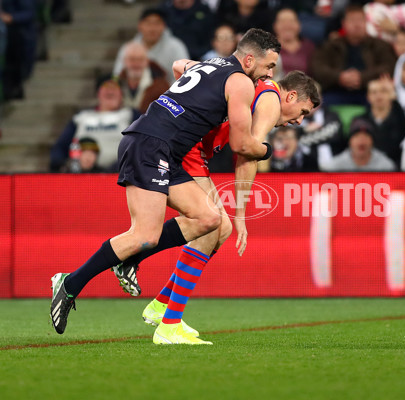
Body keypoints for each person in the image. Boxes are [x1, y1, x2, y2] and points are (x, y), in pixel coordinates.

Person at [50, 29, 281, 342]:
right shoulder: (240, 81)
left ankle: (132, 260)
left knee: (209, 219)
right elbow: (241, 145)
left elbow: (177, 65)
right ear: (250, 59)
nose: (270, 74)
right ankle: (70, 283)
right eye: (269, 67)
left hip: (162, 149)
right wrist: (269, 149)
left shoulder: (209, 64)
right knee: (144, 235)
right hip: (150, 145)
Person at [114, 71, 320, 344]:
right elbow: (248, 154)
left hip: (188, 147)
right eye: (302, 111)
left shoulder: (257, 88)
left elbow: (181, 66)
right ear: (291, 96)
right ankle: (168, 323)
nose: (299, 120)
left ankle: (161, 304)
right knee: (212, 226)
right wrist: (242, 216)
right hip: (188, 150)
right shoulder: (271, 101)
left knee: (219, 229)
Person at [49, 77, 141, 173]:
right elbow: (60, 147)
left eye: (114, 88)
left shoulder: (130, 115)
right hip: (83, 174)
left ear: (121, 95)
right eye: (106, 87)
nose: (110, 90)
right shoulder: (81, 117)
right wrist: (59, 165)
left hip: (119, 175)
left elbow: (142, 145)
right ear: (98, 93)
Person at [311, 4, 396, 105]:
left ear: (366, 23)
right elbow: (317, 67)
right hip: (335, 92)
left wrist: (362, 77)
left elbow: (389, 66)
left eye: (360, 20)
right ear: (343, 23)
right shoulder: (331, 45)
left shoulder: (379, 45)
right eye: (352, 20)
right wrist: (339, 77)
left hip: (369, 92)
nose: (357, 24)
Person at [113, 7, 189, 84]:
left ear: (164, 26)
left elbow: (185, 76)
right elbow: (117, 74)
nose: (152, 28)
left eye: (157, 23)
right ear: (140, 25)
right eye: (148, 23)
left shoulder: (176, 47)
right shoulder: (128, 48)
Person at [358, 76, 405, 164]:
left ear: (391, 95)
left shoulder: (400, 118)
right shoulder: (360, 121)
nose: (378, 95)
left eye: (383, 91)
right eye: (374, 92)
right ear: (368, 97)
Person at [320, 117, 396, 172]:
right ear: (350, 141)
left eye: (366, 136)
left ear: (372, 141)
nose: (361, 140)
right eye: (357, 136)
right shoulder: (334, 167)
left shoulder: (385, 167)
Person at [117, 41, 170, 113]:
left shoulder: (162, 87)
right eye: (132, 59)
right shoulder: (116, 84)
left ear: (147, 61)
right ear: (124, 61)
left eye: (140, 59)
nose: (136, 64)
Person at [273, 8, 315, 76]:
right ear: (275, 26)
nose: (287, 25)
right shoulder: (268, 47)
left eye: (291, 21)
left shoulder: (308, 47)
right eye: (282, 21)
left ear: (299, 25)